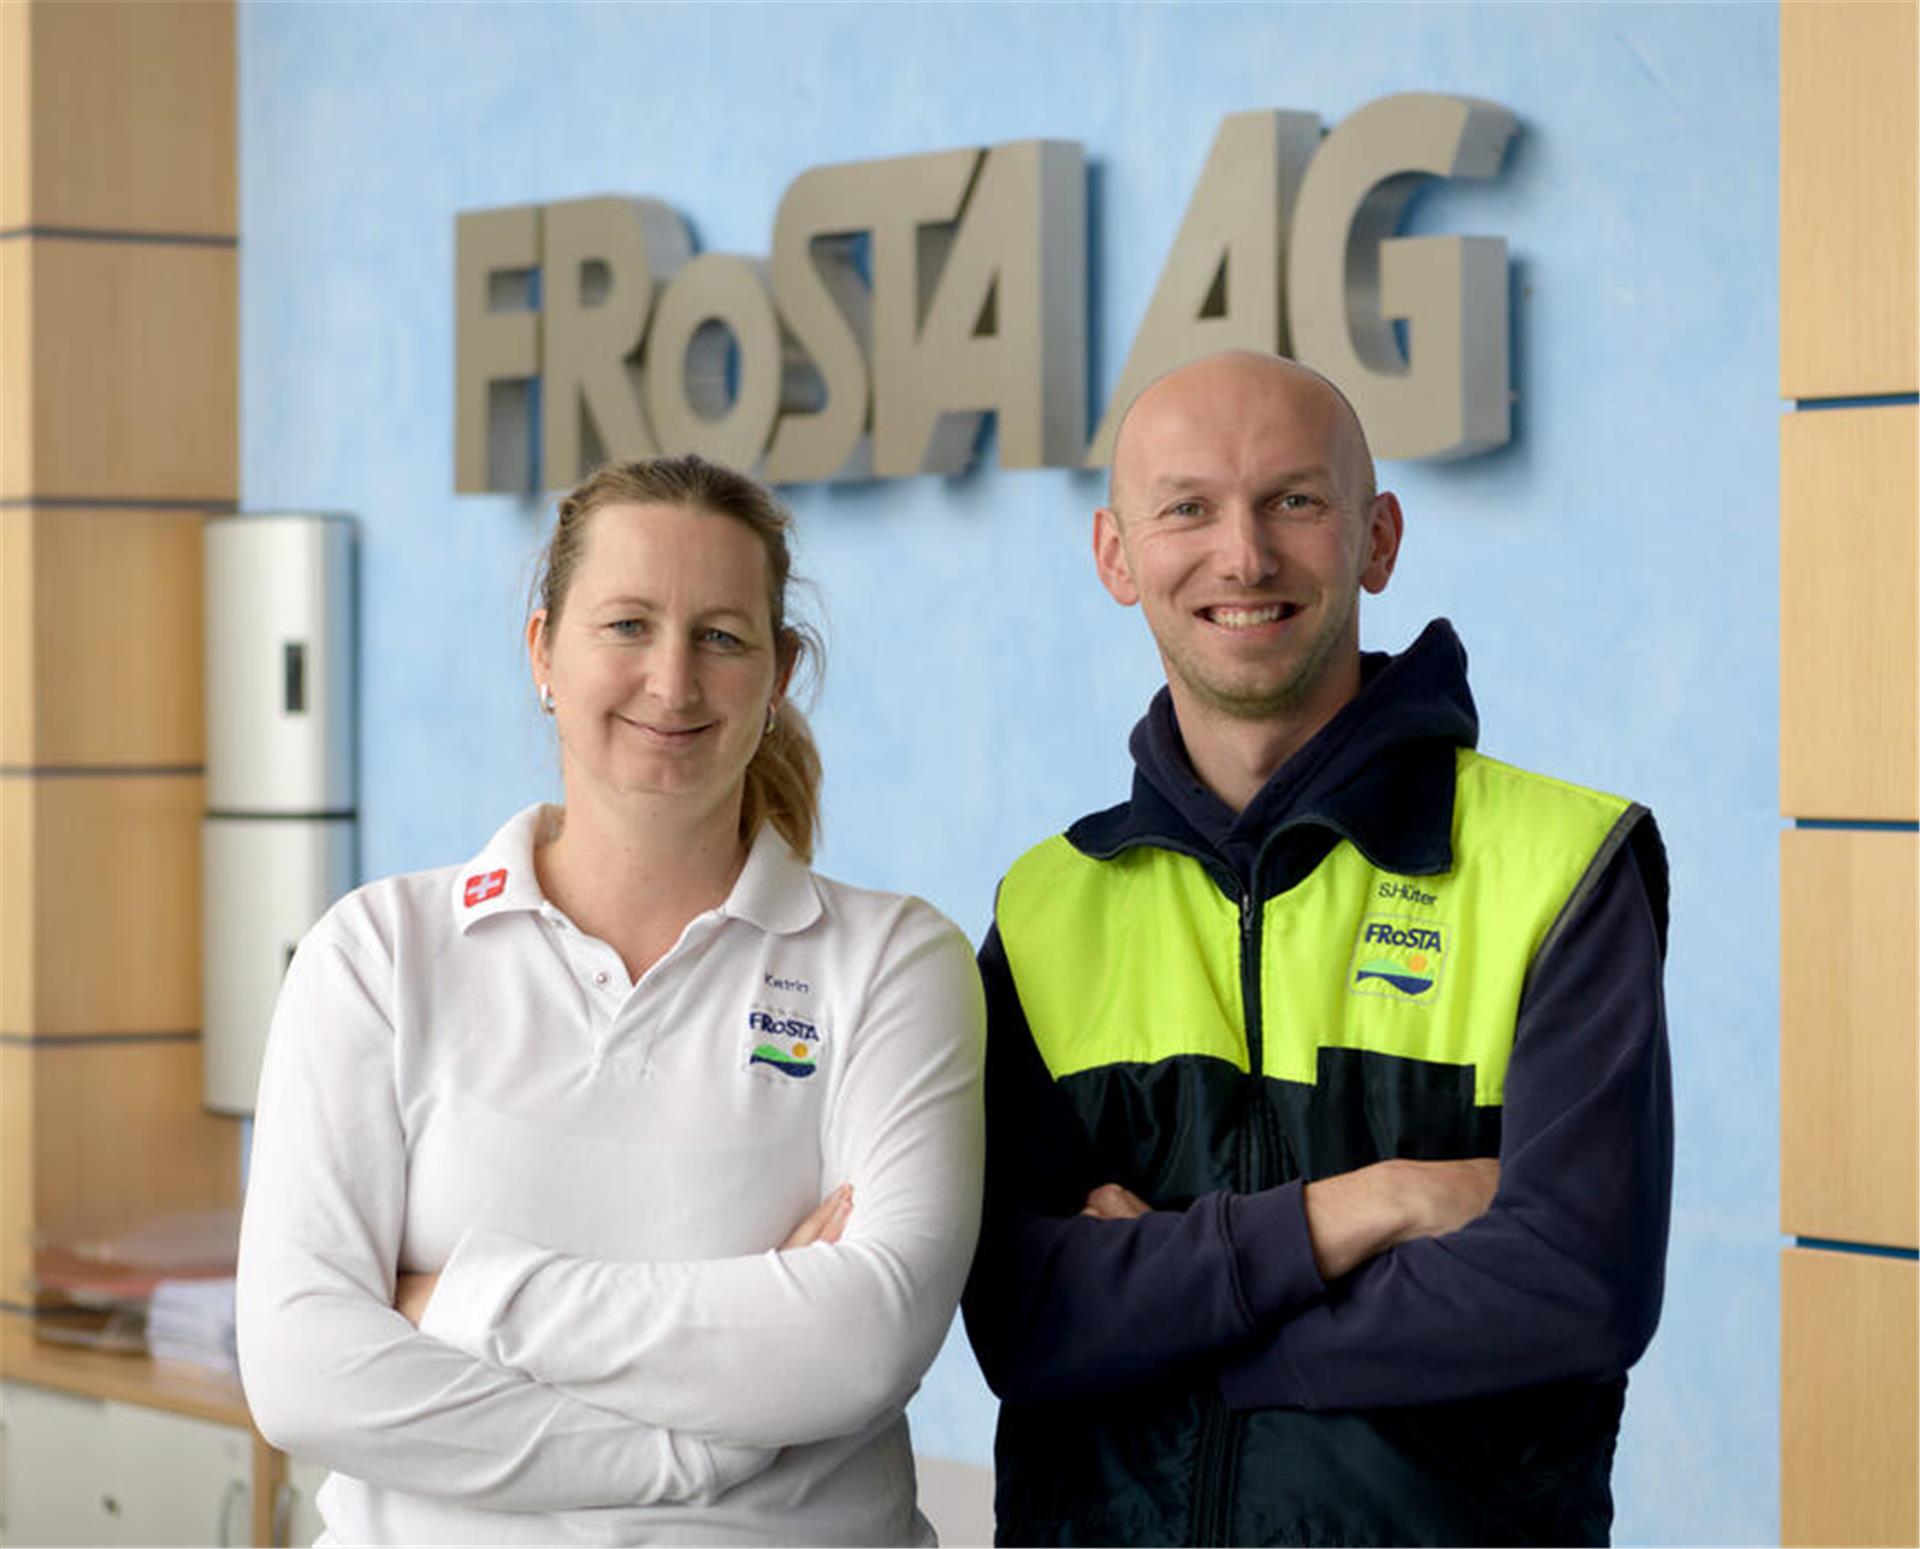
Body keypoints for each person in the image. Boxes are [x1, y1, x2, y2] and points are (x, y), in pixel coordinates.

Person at [962, 351, 1672, 1547]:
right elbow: (1022, 1321)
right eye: (1187, 506)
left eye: (1294, 499)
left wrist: (1180, 1320)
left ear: (1378, 540)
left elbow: (1571, 1286)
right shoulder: (1048, 907)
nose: (1243, 556)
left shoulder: (1565, 867)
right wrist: (1371, 1205)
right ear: (1116, 556)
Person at [238, 456, 985, 1546]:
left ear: (781, 673)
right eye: (627, 625)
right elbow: (306, 1375)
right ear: (543, 650)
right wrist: (698, 1450)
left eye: (722, 637)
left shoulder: (892, 963)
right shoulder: (378, 956)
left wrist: (463, 1296)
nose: (672, 683)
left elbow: (863, 1341)